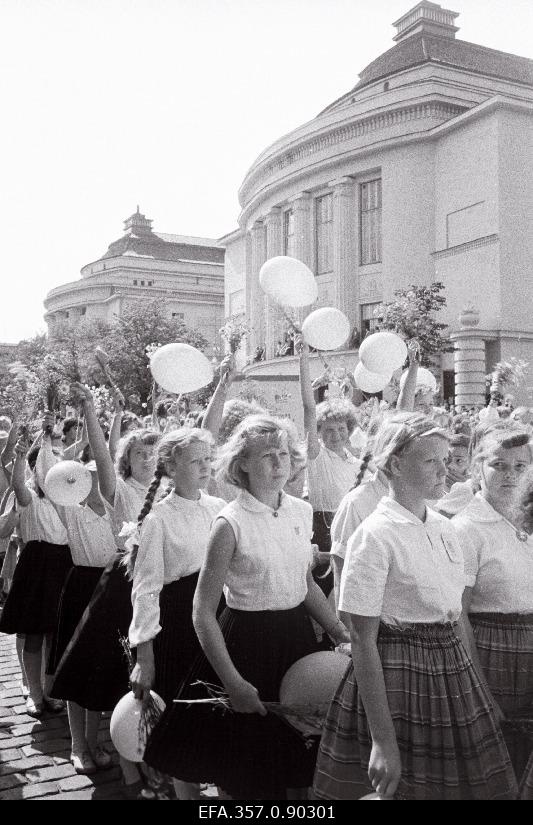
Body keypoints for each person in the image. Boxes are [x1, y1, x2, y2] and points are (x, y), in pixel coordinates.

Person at [313, 412, 517, 800]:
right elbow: (361, 639)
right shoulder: (374, 536)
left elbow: (454, 614)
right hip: (397, 677)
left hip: (451, 672)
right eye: (431, 461)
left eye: (445, 460)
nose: (445, 470)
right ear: (394, 464)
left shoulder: (443, 526)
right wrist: (383, 742)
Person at [144, 414, 348, 800]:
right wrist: (233, 682)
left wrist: (337, 630)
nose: (278, 464)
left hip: (298, 644)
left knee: (301, 764)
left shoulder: (300, 512)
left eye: (284, 454)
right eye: (268, 455)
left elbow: (302, 584)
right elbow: (202, 612)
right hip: (247, 647)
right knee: (249, 774)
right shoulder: (229, 522)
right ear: (242, 465)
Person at [128, 428, 226, 799]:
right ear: (171, 466)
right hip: (180, 626)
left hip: (218, 620)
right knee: (184, 720)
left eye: (207, 459)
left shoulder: (219, 508)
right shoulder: (159, 519)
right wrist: (144, 654)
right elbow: (146, 588)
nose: (205, 467)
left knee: (219, 714)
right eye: (195, 461)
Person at [453, 425, 533, 791]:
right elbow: (458, 615)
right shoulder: (466, 528)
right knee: (496, 755)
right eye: (498, 465)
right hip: (491, 650)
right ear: (476, 468)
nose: (510, 475)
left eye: (520, 466)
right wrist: (479, 686)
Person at [47, 460, 117, 775]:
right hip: (80, 591)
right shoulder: (70, 511)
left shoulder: (117, 511)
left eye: (98, 477)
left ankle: (93, 739)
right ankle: (78, 745)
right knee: (76, 666)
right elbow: (46, 475)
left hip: (109, 589)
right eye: (88, 477)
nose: (94, 482)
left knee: (99, 668)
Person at [0, 416, 72, 717]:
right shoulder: (30, 494)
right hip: (36, 564)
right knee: (33, 633)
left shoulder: (66, 497)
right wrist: (19, 459)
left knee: (56, 634)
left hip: (62, 563)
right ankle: (34, 692)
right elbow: (18, 485)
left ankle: (51, 688)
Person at [298, 339, 361, 595]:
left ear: (349, 431)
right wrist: (303, 361)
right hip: (322, 528)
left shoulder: (357, 463)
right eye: (328, 429)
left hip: (352, 528)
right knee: (322, 592)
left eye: (341, 429)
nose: (335, 434)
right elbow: (309, 409)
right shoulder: (316, 455)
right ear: (320, 432)